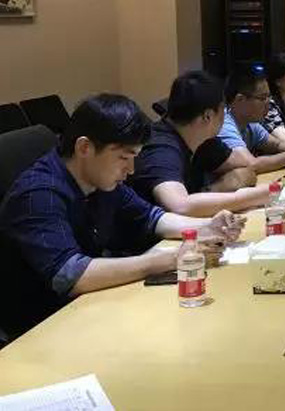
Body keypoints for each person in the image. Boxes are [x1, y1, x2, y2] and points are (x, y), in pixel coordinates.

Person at [0, 94, 246, 340]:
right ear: (84, 148)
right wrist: (171, 259)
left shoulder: (99, 178)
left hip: (91, 308)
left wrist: (205, 227)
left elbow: (151, 217)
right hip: (43, 330)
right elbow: (72, 275)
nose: (131, 170)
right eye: (124, 158)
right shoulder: (38, 194)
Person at [129, 71, 271, 217]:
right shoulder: (161, 150)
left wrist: (213, 191)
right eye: (223, 110)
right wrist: (254, 196)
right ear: (207, 116)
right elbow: (180, 206)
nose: (225, 116)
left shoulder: (203, 140)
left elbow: (247, 167)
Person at [220, 64, 285, 174]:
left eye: (269, 97)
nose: (268, 103)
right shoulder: (224, 124)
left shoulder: (250, 123)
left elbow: (278, 145)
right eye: (262, 98)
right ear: (240, 99)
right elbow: (251, 164)